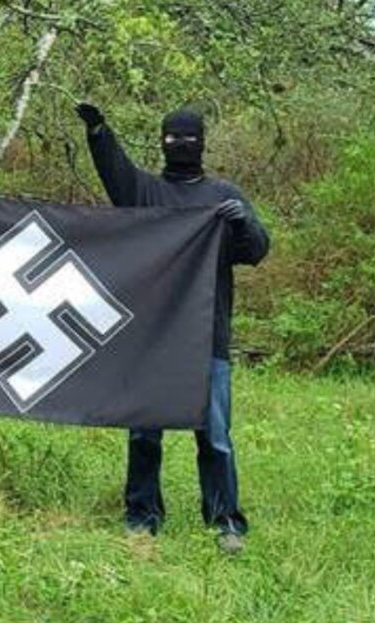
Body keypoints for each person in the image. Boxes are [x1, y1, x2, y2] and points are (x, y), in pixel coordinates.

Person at [75, 102, 270, 554]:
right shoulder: (145, 194)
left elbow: (257, 249)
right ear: (162, 142)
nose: (180, 145)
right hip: (152, 339)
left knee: (215, 437)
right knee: (145, 434)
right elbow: (117, 174)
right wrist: (100, 132)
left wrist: (242, 227)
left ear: (202, 143)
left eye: (188, 137)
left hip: (207, 338)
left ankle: (225, 522)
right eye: (172, 137)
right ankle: (142, 518)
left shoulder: (224, 197)